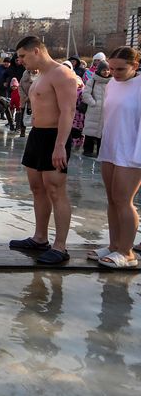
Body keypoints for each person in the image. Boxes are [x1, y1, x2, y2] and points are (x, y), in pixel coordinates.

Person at [8, 36, 79, 265]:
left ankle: (60, 246)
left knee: (56, 190)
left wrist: (60, 145)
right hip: (37, 135)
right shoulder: (40, 75)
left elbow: (68, 112)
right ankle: (40, 238)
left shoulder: (62, 74)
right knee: (37, 188)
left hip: (54, 136)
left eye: (22, 56)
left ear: (36, 51)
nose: (20, 61)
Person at [92, 47, 141, 268]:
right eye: (111, 68)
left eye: (120, 69)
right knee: (112, 199)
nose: (114, 73)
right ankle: (113, 245)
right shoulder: (112, 84)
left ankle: (127, 252)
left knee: (124, 200)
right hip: (111, 148)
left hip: (132, 152)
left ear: (135, 66)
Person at [80, 61, 110, 158]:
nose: (106, 72)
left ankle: (100, 152)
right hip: (93, 111)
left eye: (108, 70)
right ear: (99, 70)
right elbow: (85, 94)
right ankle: (87, 151)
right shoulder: (92, 81)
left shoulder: (113, 82)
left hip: (106, 112)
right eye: (104, 70)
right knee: (90, 132)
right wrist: (94, 103)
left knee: (103, 133)